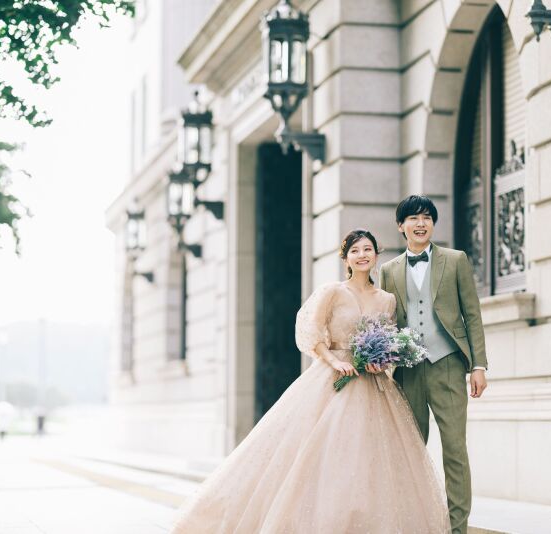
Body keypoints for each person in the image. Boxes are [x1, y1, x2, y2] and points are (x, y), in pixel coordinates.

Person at [171, 229, 450, 533]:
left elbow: (391, 338)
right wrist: (334, 361)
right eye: (355, 250)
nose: (362, 255)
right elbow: (311, 333)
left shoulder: (387, 300)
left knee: (370, 460)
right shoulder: (333, 291)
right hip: (332, 377)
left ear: (376, 255)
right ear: (346, 257)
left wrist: (380, 359)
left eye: (367, 249)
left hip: (373, 384)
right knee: (318, 451)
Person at [379, 195, 488, 534]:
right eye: (413, 218)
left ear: (433, 223)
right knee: (411, 451)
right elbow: (386, 321)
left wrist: (478, 366)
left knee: (455, 449)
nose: (420, 223)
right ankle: (414, 522)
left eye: (426, 217)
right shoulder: (389, 270)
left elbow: (472, 314)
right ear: (401, 226)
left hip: (448, 365)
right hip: (408, 371)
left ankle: (458, 528)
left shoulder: (455, 260)